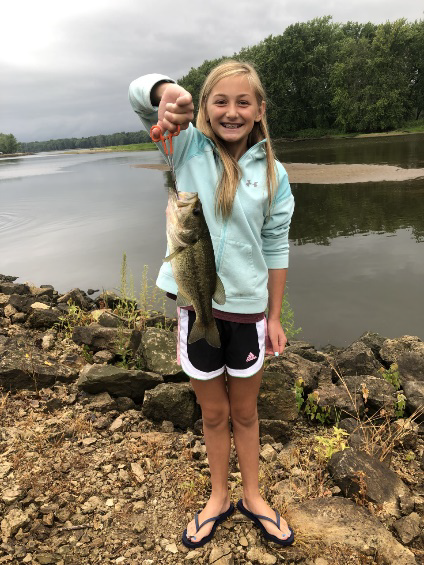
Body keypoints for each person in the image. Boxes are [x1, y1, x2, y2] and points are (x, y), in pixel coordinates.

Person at [129, 61, 295, 549]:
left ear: (260, 111)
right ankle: (218, 497)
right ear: (204, 109)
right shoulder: (186, 147)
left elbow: (277, 249)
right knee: (213, 413)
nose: (232, 111)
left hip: (247, 313)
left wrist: (274, 317)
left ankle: (252, 496)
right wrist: (166, 92)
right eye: (220, 101)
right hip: (197, 306)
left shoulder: (275, 176)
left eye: (244, 102)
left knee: (245, 413)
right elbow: (138, 94)